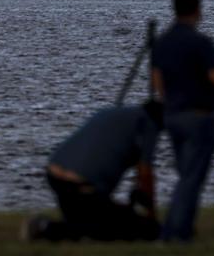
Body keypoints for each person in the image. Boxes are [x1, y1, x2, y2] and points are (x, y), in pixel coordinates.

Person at [23, 101, 162, 242]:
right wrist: (151, 214)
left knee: (88, 222)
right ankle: (45, 227)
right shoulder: (148, 125)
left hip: (54, 173)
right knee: (105, 230)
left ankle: (47, 226)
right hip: (80, 184)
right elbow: (145, 174)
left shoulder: (110, 112)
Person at [151, 0, 214, 242]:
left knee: (186, 175)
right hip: (199, 116)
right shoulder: (201, 43)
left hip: (173, 115)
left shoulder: (162, 41)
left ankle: (184, 229)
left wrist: (170, 100)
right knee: (191, 178)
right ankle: (173, 232)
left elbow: (157, 79)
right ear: (197, 9)